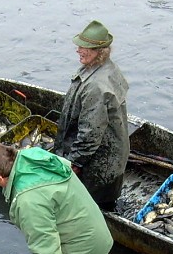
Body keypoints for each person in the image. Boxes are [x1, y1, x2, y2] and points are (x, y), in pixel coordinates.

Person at [53, 20, 130, 209]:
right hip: (114, 152)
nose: (79, 50)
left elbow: (90, 135)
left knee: (93, 203)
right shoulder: (104, 67)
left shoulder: (96, 86)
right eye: (79, 46)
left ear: (100, 52)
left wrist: (74, 163)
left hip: (100, 163)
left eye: (84, 48)